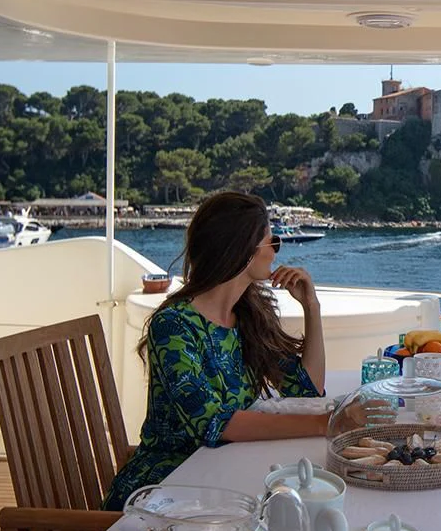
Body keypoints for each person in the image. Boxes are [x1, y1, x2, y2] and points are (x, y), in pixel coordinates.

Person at [104, 191, 328, 509]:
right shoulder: (174, 326)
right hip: (160, 496)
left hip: (218, 481)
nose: (276, 252)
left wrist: (311, 307)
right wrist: (325, 424)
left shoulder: (248, 315)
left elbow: (307, 390)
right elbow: (214, 422)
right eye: (272, 241)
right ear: (244, 250)